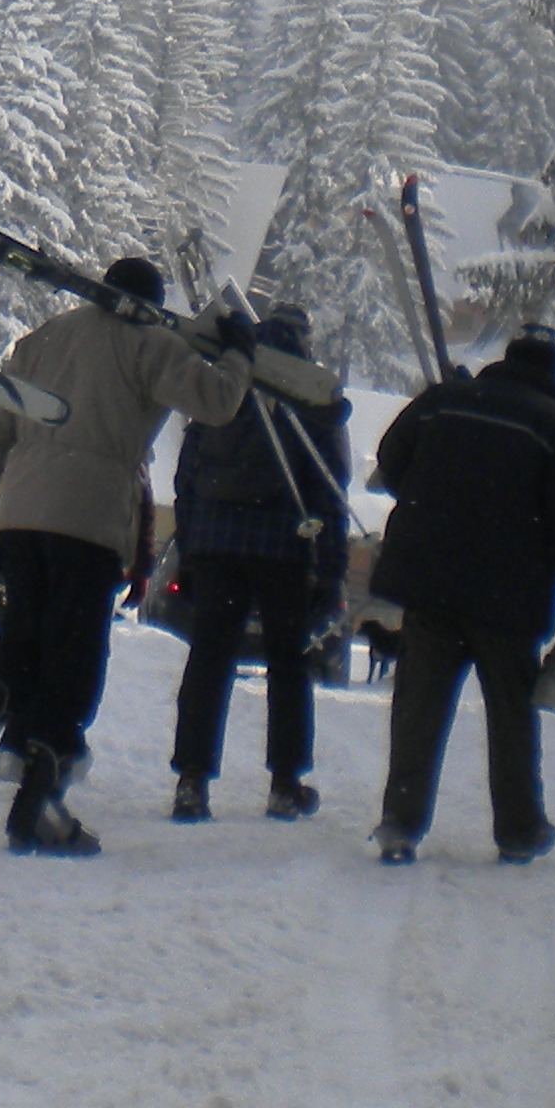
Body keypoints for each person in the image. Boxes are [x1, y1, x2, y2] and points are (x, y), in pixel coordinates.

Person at [0, 260, 257, 857]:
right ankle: (39, 806)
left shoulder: (45, 338)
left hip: (20, 517)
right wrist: (239, 354)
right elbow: (217, 402)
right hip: (87, 522)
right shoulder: (149, 345)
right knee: (73, 667)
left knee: (25, 643)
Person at [366, 325, 555, 867]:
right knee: (511, 715)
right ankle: (519, 829)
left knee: (420, 707)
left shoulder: (443, 402)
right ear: (554, 372)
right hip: (510, 594)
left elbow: (390, 462)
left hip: (430, 580)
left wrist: (432, 495)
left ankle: (400, 823)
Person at [165, 304, 351, 824]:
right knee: (288, 665)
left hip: (218, 544)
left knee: (209, 660)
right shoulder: (312, 395)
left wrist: (188, 544)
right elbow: (329, 489)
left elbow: (188, 474)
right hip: (284, 548)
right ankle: (285, 784)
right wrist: (331, 572)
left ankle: (192, 781)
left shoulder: (230, 379)